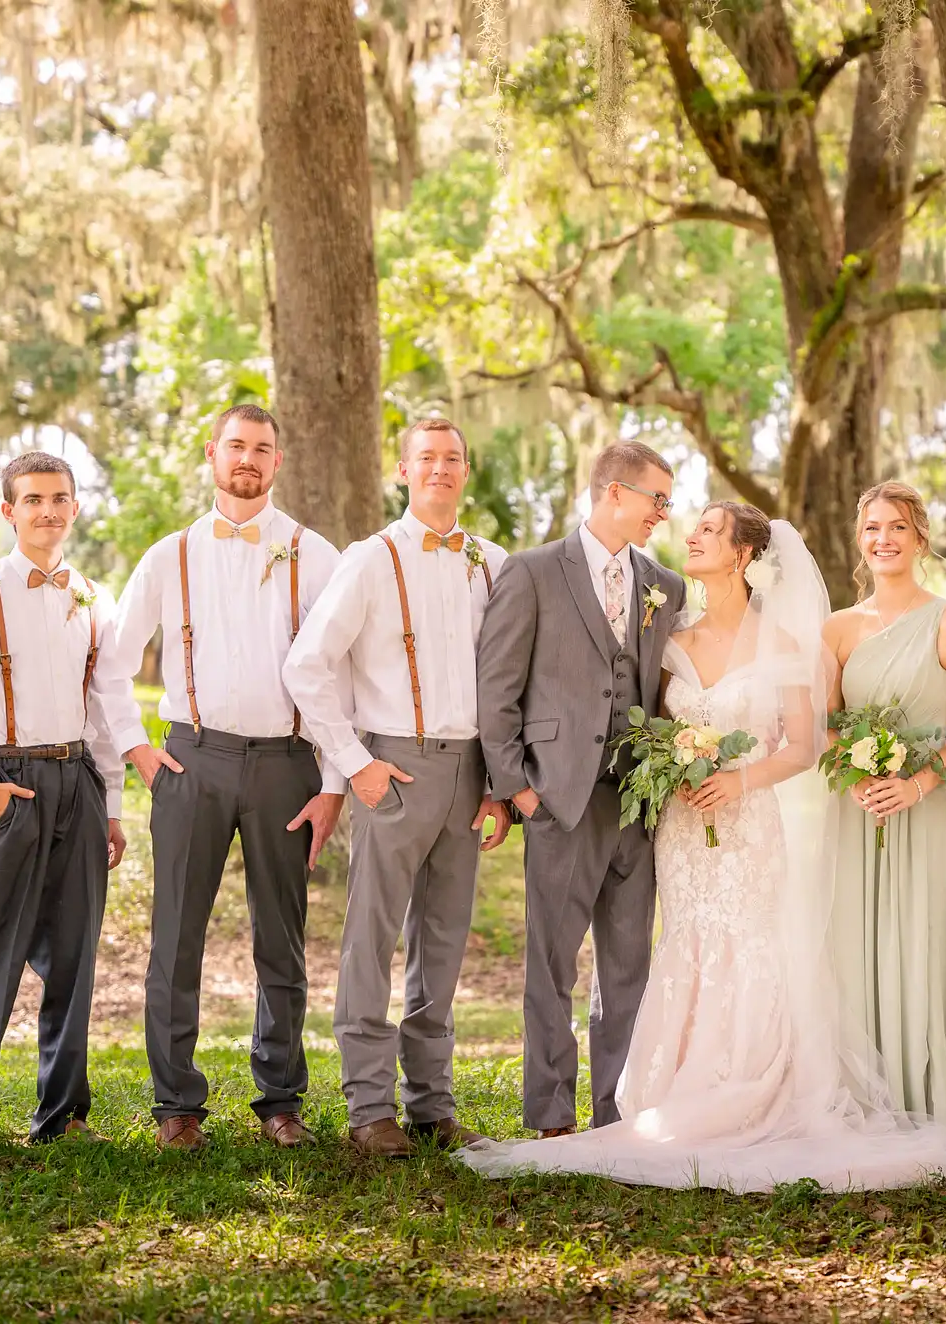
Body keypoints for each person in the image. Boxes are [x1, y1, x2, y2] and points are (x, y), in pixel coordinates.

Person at [456, 507, 946, 1191]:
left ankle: (752, 1086)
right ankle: (675, 1090)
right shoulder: (666, 634)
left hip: (747, 823)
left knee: (750, 943)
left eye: (709, 530)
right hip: (679, 827)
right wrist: (673, 770)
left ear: (743, 556)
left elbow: (802, 743)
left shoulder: (788, 640)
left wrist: (738, 780)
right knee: (688, 942)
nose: (692, 537)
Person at [95, 403, 342, 1152]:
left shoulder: (314, 552)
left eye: (262, 449)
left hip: (286, 765)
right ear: (211, 454)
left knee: (283, 939)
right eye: (236, 446)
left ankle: (281, 1100)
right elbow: (110, 658)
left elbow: (343, 674)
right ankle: (176, 1104)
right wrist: (136, 748)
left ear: (278, 462)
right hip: (190, 759)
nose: (248, 459)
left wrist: (333, 782)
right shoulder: (168, 555)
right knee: (176, 937)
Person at [283, 416, 513, 1157]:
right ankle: (367, 1110)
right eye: (427, 458)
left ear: (466, 472)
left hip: (470, 770)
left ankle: (432, 1106)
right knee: (371, 939)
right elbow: (305, 667)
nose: (440, 469)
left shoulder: (492, 562)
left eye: (453, 458)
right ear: (404, 472)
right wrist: (356, 764)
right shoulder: (371, 558)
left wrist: (498, 782)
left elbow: (510, 681)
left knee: (442, 943)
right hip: (395, 766)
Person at [0, 451, 132, 1149]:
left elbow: (103, 708)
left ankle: (62, 1115)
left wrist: (115, 802)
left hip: (78, 781)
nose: (48, 510)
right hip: (4, 781)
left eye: (59, 498)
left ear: (75, 508)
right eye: (32, 499)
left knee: (74, 953)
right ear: (9, 511)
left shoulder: (94, 596)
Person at [475, 441, 685, 1136]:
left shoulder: (666, 585)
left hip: (639, 807)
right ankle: (551, 1114)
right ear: (614, 493)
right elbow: (497, 688)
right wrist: (517, 789)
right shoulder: (533, 572)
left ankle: (616, 1113)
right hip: (559, 801)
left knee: (629, 969)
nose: (665, 510)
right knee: (551, 967)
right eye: (657, 496)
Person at [822, 482, 946, 1153]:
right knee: (859, 946)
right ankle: (869, 1098)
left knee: (929, 941)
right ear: (860, 539)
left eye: (897, 527)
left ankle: (935, 1097)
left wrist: (918, 784)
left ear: (920, 536)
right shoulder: (836, 629)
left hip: (932, 814)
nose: (884, 540)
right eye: (872, 529)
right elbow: (824, 724)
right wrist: (865, 776)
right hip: (861, 811)